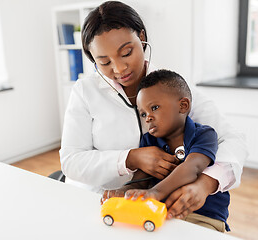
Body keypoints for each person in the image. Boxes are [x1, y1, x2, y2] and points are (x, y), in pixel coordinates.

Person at [59, 0, 247, 224]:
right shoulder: (84, 91)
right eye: (104, 62)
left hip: (156, 204)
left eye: (126, 52)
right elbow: (71, 161)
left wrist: (207, 182)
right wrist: (130, 158)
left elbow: (232, 140)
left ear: (141, 36)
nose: (119, 69)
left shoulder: (171, 87)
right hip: (98, 200)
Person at [107, 69, 230, 232]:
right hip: (162, 215)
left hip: (204, 217)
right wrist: (125, 191)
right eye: (143, 114)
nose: (148, 118)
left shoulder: (204, 134)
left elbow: (192, 168)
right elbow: (141, 179)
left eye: (155, 108)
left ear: (183, 106)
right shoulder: (148, 141)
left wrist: (156, 192)